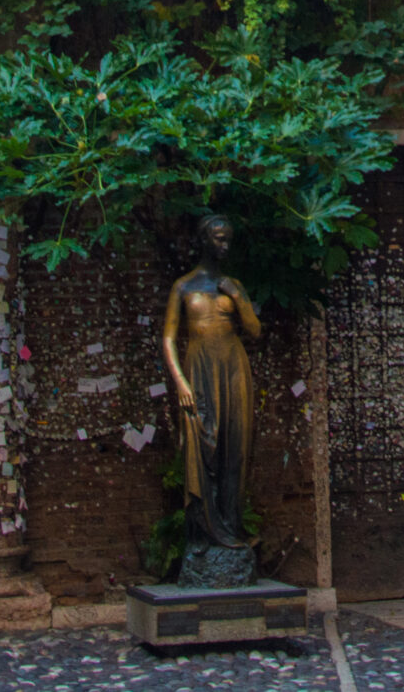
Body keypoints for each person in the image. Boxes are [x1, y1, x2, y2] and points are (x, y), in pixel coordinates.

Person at [158, 212, 261, 581]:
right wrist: (181, 383)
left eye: (228, 238)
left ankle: (231, 531)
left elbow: (254, 330)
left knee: (234, 449)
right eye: (218, 238)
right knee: (201, 450)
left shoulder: (232, 284)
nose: (224, 245)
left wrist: (239, 299)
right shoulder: (183, 287)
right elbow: (169, 338)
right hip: (198, 371)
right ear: (203, 240)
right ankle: (202, 534)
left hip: (233, 369)